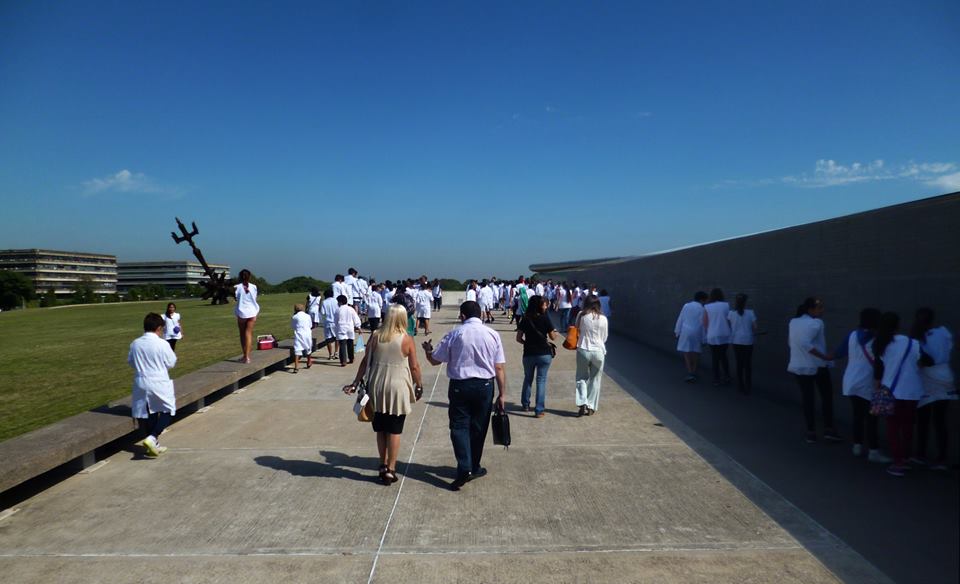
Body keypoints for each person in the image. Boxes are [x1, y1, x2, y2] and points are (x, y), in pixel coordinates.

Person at [422, 301, 507, 491]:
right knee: (479, 427)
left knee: (459, 426)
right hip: (485, 385)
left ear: (462, 316)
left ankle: (464, 467)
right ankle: (474, 466)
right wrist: (502, 394)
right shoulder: (493, 335)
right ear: (481, 315)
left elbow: (436, 360)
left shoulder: (455, 334)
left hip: (460, 385)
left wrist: (428, 351)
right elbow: (499, 367)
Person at [343, 304, 424, 485]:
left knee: (380, 429)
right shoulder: (407, 339)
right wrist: (419, 385)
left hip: (377, 386)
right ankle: (391, 468)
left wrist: (356, 382)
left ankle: (381, 464)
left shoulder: (375, 336)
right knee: (395, 430)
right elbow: (414, 366)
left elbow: (365, 362)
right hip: (398, 388)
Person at [872, 311, 933, 476]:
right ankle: (905, 458)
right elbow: (929, 360)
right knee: (907, 427)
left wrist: (877, 390)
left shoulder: (880, 344)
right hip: (912, 391)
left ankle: (897, 462)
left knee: (893, 428)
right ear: (898, 325)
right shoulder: (911, 343)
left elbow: (878, 371)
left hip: (891, 390)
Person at [832, 308, 890, 462]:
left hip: (851, 381)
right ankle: (873, 451)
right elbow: (880, 363)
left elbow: (838, 353)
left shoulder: (852, 335)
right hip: (869, 382)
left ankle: (857, 446)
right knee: (871, 419)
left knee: (857, 415)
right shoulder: (877, 339)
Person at [787, 297, 841, 444]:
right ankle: (828, 429)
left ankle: (810, 431)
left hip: (799, 366)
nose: (822, 310)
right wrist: (824, 356)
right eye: (819, 308)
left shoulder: (793, 322)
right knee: (826, 397)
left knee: (808, 399)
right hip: (818, 366)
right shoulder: (817, 323)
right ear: (810, 309)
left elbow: (792, 343)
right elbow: (805, 343)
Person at [911, 308, 956, 470]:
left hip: (926, 377)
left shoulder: (915, 338)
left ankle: (920, 455)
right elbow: (949, 348)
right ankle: (942, 459)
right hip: (945, 376)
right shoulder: (944, 332)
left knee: (923, 419)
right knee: (940, 421)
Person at [129, 312, 177, 458]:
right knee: (168, 410)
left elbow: (131, 362)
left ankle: (153, 444)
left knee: (148, 410)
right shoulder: (162, 343)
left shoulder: (135, 343)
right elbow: (171, 362)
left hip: (141, 381)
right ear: (158, 328)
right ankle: (153, 437)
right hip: (158, 380)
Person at [517, 295, 558, 417]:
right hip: (544, 354)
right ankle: (539, 410)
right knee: (541, 381)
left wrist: (527, 343)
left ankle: (525, 404)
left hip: (528, 353)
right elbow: (553, 337)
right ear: (540, 305)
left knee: (528, 378)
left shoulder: (525, 318)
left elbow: (518, 338)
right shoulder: (545, 318)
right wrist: (554, 331)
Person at [575, 296, 608, 416]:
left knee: (581, 378)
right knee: (595, 379)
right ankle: (591, 406)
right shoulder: (603, 318)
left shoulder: (581, 315)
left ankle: (582, 402)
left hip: (583, 348)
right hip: (598, 350)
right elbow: (604, 337)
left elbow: (576, 329)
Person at [727, 293, 757, 393]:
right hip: (748, 341)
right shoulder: (750, 313)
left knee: (739, 363)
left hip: (736, 341)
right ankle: (748, 385)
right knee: (747, 364)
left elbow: (730, 326)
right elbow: (755, 327)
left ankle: (740, 385)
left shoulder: (731, 314)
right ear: (745, 302)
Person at [674, 291, 708, 382]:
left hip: (685, 331)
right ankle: (694, 371)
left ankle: (690, 372)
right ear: (701, 300)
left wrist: (677, 331)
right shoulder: (703, 309)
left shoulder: (686, 306)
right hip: (697, 331)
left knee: (687, 352)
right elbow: (703, 324)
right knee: (696, 352)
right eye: (705, 300)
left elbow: (681, 318)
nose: (705, 302)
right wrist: (704, 339)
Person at [704, 288, 732, 386]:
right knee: (724, 356)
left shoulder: (707, 307)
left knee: (715, 357)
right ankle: (727, 376)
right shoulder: (726, 305)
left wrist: (709, 331)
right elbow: (729, 320)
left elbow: (705, 323)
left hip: (712, 335)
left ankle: (716, 379)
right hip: (724, 334)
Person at [234, 268, 260, 364]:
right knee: (248, 334)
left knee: (242, 334)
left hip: (242, 312)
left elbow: (235, 297)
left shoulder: (237, 287)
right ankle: (247, 357)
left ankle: (245, 356)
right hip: (253, 312)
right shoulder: (254, 286)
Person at [335, 294, 362, 366]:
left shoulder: (338, 310)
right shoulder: (351, 309)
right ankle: (351, 358)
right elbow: (355, 318)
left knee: (342, 344)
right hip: (350, 328)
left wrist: (336, 328)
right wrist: (358, 327)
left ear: (340, 302)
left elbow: (336, 321)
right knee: (350, 343)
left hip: (341, 327)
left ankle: (343, 360)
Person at [291, 303, 313, 373]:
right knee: (308, 347)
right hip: (307, 334)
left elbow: (293, 326)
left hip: (299, 334)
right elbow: (310, 325)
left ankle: (296, 367)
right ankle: (309, 361)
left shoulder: (294, 317)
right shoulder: (308, 316)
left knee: (297, 350)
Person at [320, 289, 339, 360]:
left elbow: (323, 312)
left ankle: (330, 354)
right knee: (337, 338)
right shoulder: (336, 301)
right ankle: (336, 352)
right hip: (335, 322)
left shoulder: (324, 302)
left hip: (328, 322)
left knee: (328, 339)